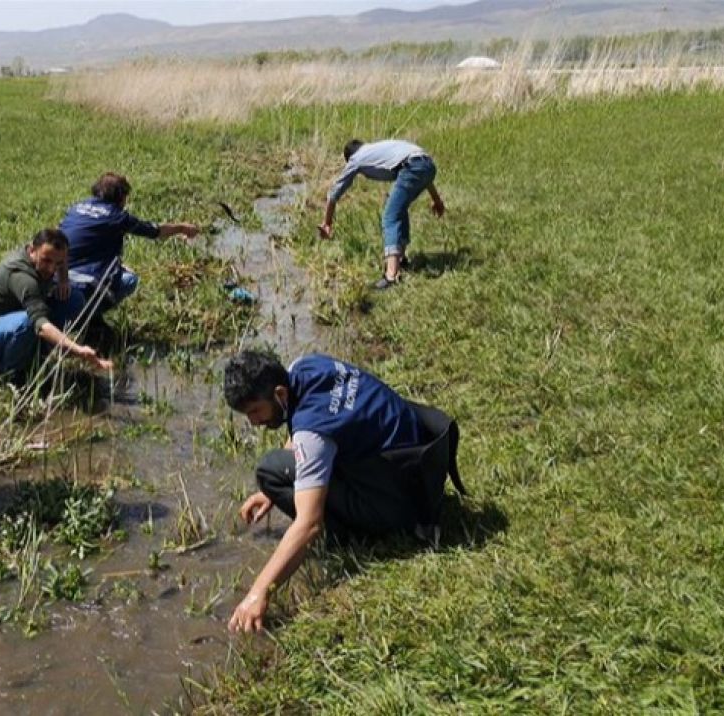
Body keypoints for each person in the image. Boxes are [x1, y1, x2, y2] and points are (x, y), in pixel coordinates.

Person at [222, 350, 461, 633]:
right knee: (279, 471)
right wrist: (270, 494)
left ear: (279, 394)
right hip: (420, 468)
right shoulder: (306, 365)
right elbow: (305, 431)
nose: (253, 422)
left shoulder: (312, 436)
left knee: (270, 470)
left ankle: (352, 537)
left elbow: (309, 524)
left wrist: (258, 592)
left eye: (255, 411)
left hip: (402, 505)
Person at [0, 228, 114, 383]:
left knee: (74, 299)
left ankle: (38, 353)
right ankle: (9, 374)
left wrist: (64, 280)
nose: (52, 269)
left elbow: (61, 259)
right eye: (46, 261)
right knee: (27, 323)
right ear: (32, 251)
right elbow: (41, 325)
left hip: (21, 315)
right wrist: (79, 350)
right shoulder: (23, 278)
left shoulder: (45, 257)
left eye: (57, 263)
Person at [57, 172, 199, 313]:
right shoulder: (117, 217)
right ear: (121, 197)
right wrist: (182, 228)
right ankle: (91, 315)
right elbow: (155, 231)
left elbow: (82, 244)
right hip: (83, 282)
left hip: (57, 273)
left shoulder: (76, 208)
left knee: (121, 270)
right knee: (129, 279)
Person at [318, 139, 446, 290]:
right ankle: (400, 260)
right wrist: (437, 200)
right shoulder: (375, 149)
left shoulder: (356, 158)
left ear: (349, 157)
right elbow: (422, 167)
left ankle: (391, 276)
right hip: (428, 165)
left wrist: (327, 223)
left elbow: (334, 193)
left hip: (411, 167)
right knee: (399, 209)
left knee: (390, 216)